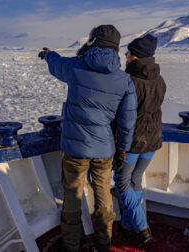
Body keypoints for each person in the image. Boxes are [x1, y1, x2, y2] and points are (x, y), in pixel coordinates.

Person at [38, 25, 137, 252]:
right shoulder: (124, 81)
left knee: (72, 197)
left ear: (92, 42)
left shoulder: (76, 67)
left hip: (75, 150)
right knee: (103, 195)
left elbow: (56, 64)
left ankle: (71, 245)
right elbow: (127, 122)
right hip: (105, 151)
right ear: (117, 47)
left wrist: (48, 54)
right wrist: (122, 149)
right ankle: (104, 243)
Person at [113, 34, 166, 244]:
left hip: (133, 142)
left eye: (128, 52)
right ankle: (127, 227)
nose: (125, 54)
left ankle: (142, 227)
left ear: (135, 58)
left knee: (122, 182)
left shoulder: (130, 82)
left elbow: (124, 116)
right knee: (135, 181)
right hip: (153, 140)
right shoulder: (160, 79)